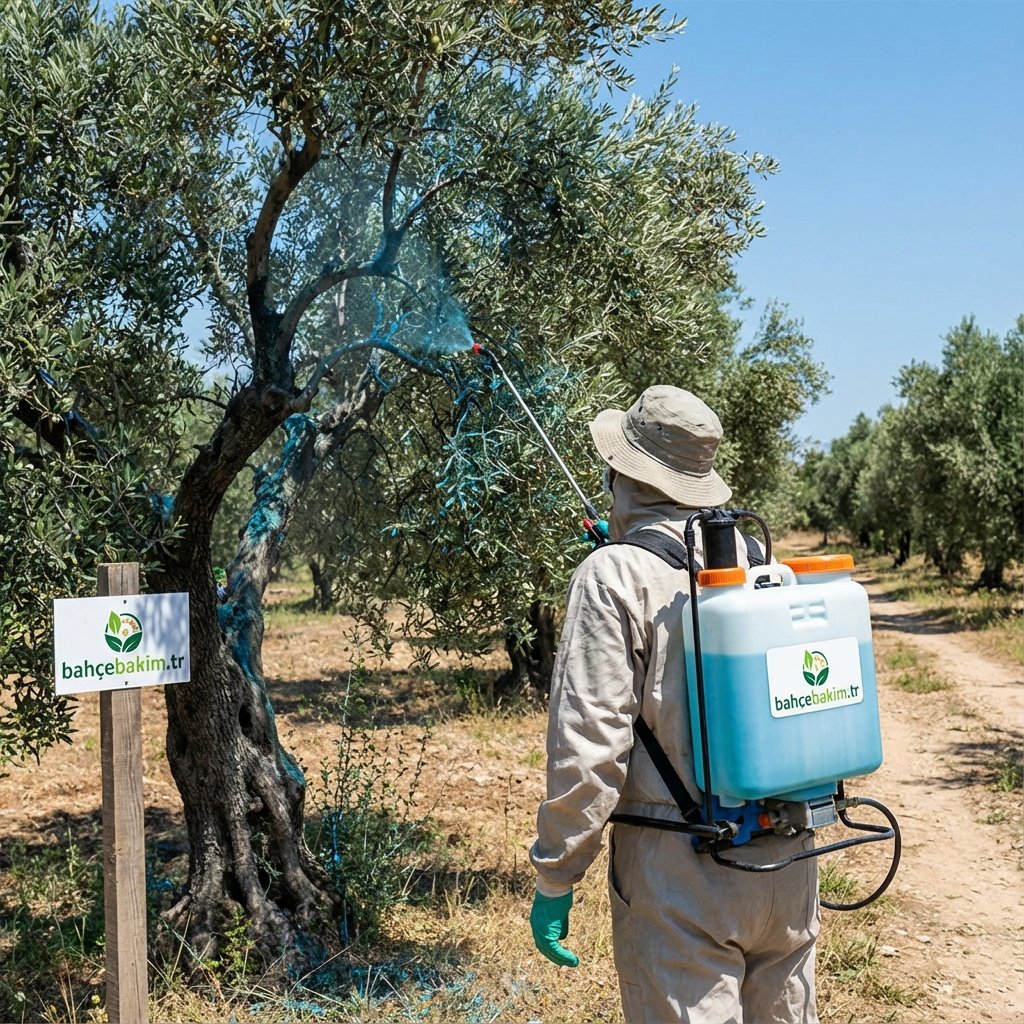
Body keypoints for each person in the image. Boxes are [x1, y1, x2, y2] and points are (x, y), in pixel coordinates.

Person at [528, 385, 820, 1024]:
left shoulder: (611, 578)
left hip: (682, 866)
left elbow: (590, 744)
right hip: (789, 858)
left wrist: (558, 873)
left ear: (624, 472)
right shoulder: (764, 564)